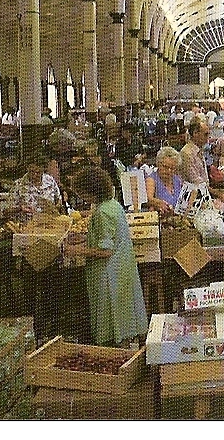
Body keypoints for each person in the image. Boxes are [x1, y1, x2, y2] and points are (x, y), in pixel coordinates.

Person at [65, 166, 148, 347]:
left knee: (113, 318)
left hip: (110, 274)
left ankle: (121, 357)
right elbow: (110, 236)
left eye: (82, 193)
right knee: (125, 315)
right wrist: (86, 237)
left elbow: (106, 251)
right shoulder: (113, 205)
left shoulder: (103, 212)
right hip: (123, 267)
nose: (81, 197)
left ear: (91, 192)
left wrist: (75, 250)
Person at [145, 146, 183, 215]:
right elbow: (148, 199)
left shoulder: (177, 179)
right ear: (158, 164)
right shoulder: (151, 179)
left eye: (172, 168)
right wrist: (157, 203)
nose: (168, 171)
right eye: (165, 167)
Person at [180, 118, 211, 185]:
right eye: (205, 134)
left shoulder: (199, 150)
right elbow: (196, 182)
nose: (208, 137)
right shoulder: (186, 153)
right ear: (195, 133)